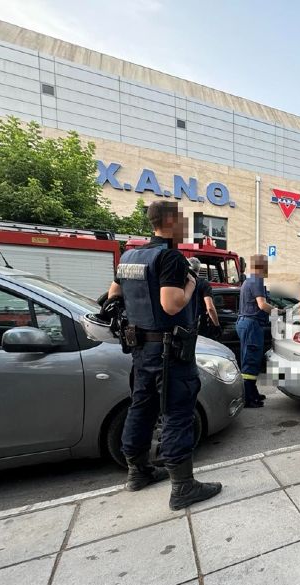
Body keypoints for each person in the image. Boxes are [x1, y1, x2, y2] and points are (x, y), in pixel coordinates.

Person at [105, 201, 221, 510]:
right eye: (181, 220)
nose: (185, 225)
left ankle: (137, 471)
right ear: (169, 221)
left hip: (141, 350)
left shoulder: (129, 257)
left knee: (141, 407)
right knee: (177, 412)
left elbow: (112, 295)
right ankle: (182, 486)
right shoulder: (170, 258)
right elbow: (171, 304)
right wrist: (192, 283)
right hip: (170, 352)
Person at [237, 254, 272, 407]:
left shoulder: (248, 280)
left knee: (249, 358)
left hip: (245, 323)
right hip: (252, 324)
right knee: (251, 360)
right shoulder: (257, 279)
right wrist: (279, 312)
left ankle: (252, 392)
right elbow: (262, 305)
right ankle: (249, 399)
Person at [188, 257, 220, 338]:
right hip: (199, 327)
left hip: (183, 325)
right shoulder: (203, 284)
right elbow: (210, 308)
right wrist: (217, 325)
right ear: (199, 269)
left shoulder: (181, 283)